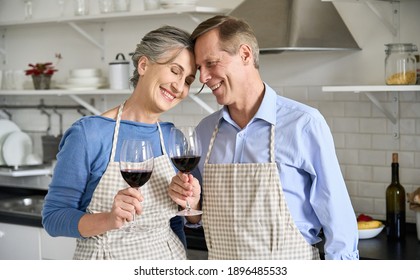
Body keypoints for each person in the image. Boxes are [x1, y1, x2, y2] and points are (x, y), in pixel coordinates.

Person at [169, 15, 359, 260]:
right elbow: (196, 214)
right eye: (199, 69)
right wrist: (190, 204)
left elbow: (338, 216)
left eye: (211, 63)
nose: (203, 77)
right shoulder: (205, 132)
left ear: (245, 54)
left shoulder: (303, 124)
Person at [42, 25, 197, 260]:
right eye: (175, 71)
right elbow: (53, 218)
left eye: (188, 80)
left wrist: (189, 202)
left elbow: (173, 224)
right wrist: (109, 219)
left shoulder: (171, 137)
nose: (179, 87)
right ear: (143, 65)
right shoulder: (89, 134)